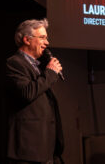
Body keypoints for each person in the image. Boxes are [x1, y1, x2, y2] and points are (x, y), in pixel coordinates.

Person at [4, 18, 64, 164]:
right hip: (28, 151)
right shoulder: (15, 63)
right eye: (42, 37)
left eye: (47, 38)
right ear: (27, 39)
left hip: (45, 150)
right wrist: (50, 73)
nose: (47, 43)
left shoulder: (37, 68)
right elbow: (27, 93)